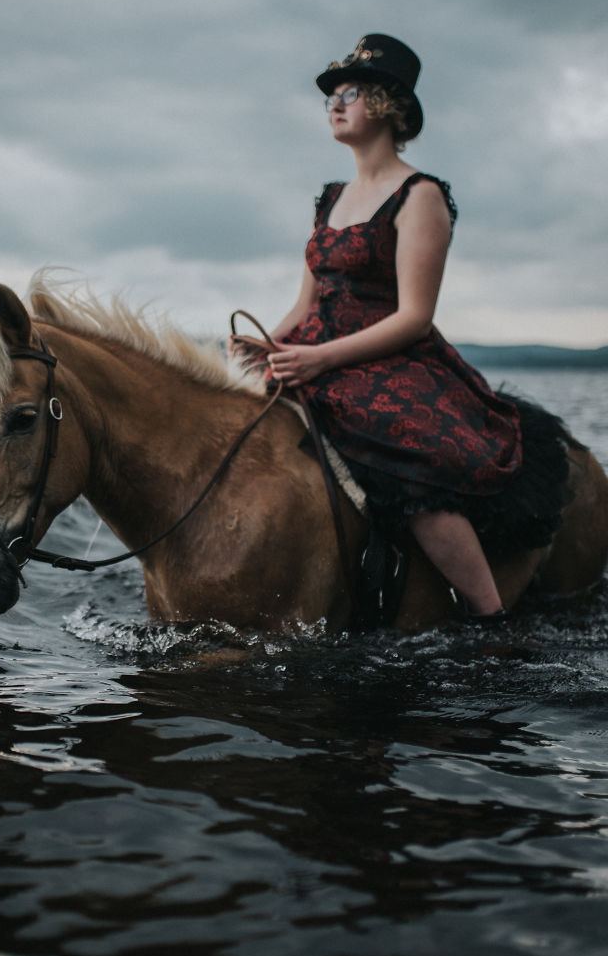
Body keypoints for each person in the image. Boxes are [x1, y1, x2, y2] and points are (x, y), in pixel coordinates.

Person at [243, 33, 569, 619]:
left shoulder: (421, 196)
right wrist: (270, 343)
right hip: (319, 353)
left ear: (388, 107)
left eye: (351, 92)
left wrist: (319, 359)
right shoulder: (330, 199)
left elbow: (415, 318)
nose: (335, 104)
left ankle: (489, 616)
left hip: (389, 359)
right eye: (332, 96)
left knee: (416, 462)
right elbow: (305, 303)